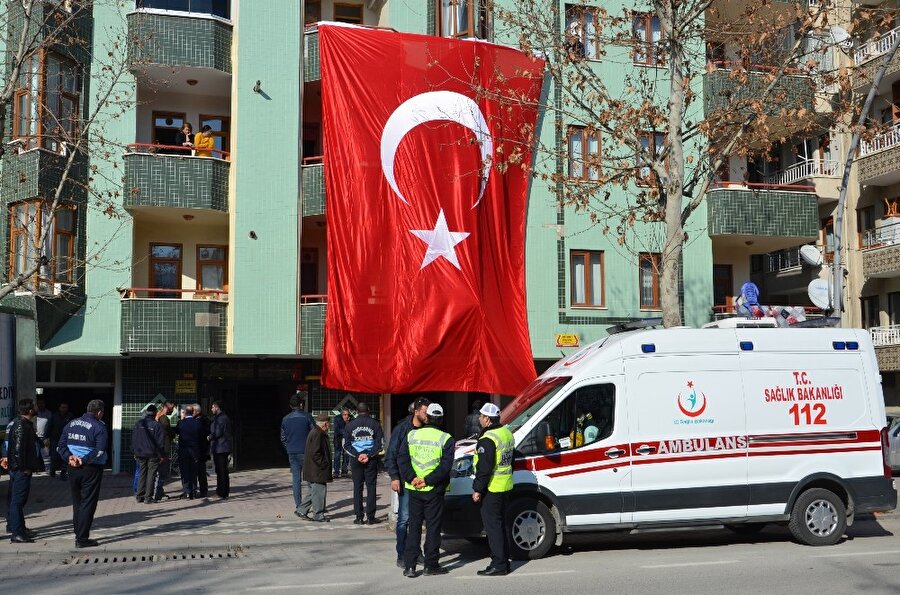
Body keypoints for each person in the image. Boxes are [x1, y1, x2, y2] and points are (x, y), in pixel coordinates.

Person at [399, 403, 455, 577]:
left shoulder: (412, 435)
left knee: (414, 528)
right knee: (433, 528)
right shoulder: (446, 439)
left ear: (427, 417)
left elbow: (402, 460)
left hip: (414, 489)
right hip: (434, 490)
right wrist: (427, 480)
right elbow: (445, 467)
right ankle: (431, 565)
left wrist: (413, 479)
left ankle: (410, 566)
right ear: (441, 419)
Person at [57, 399, 108, 548]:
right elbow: (99, 451)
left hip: (72, 468)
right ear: (99, 412)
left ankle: (78, 534)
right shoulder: (99, 427)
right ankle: (82, 538)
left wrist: (69, 458)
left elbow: (60, 446)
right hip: (90, 469)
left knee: (77, 502)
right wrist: (83, 460)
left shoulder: (70, 424)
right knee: (88, 503)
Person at [385, 397, 429, 567]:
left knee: (417, 520)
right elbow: (392, 454)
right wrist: (394, 476)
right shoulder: (402, 428)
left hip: (422, 482)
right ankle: (402, 554)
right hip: (405, 481)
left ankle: (416, 552)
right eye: (424, 412)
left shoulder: (427, 429)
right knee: (404, 519)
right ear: (416, 411)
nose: (427, 415)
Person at [472, 402, 514, 576]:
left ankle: (498, 564)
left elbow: (484, 468)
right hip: (506, 486)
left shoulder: (488, 439)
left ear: (487, 419)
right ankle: (504, 561)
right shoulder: (506, 433)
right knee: (502, 525)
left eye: (481, 417)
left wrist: (478, 489)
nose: (479, 419)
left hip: (492, 488)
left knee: (493, 528)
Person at [6, 399, 41, 543]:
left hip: (18, 469)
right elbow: (18, 450)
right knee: (17, 502)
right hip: (20, 470)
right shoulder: (21, 425)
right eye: (35, 406)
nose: (37, 407)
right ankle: (17, 533)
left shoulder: (23, 424)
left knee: (18, 501)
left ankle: (21, 529)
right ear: (30, 410)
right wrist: (24, 468)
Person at [344, 402, 384, 524]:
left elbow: (345, 445)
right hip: (371, 459)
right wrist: (369, 454)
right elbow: (380, 444)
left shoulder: (350, 425)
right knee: (371, 487)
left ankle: (359, 517)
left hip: (356, 460)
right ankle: (371, 517)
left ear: (357, 411)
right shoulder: (375, 424)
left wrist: (358, 455)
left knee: (357, 487)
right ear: (368, 410)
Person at [281, 394, 315, 515]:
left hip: (292, 453)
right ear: (300, 404)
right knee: (311, 480)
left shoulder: (285, 419)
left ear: (290, 405)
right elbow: (314, 435)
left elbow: (283, 438)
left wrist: (289, 448)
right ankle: (311, 504)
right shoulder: (307, 417)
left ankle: (299, 505)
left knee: (296, 480)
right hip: (306, 452)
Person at [297, 413, 332, 522]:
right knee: (319, 493)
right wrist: (324, 464)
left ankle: (302, 510)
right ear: (325, 424)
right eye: (329, 424)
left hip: (312, 469)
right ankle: (318, 515)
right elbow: (316, 453)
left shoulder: (315, 432)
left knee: (313, 492)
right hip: (317, 470)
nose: (329, 426)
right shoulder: (318, 433)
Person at [132, 405, 165, 505]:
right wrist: (161, 455)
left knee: (142, 473)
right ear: (155, 413)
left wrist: (134, 451)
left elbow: (134, 438)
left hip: (140, 452)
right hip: (152, 454)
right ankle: (148, 497)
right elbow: (160, 442)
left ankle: (139, 495)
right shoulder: (157, 425)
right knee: (151, 474)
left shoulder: (138, 423)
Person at [175, 405, 202, 499]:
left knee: (184, 472)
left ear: (185, 413)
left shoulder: (181, 423)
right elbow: (200, 435)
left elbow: (176, 432)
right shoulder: (197, 423)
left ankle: (186, 491)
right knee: (194, 472)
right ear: (193, 412)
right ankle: (193, 491)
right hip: (194, 451)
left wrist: (182, 420)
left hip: (183, 451)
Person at [208, 400, 233, 499]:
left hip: (221, 448)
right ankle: (223, 492)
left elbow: (218, 432)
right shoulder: (221, 417)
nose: (211, 409)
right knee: (222, 471)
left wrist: (210, 437)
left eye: (212, 407)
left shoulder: (221, 418)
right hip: (221, 447)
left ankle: (221, 493)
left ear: (217, 407)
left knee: (221, 471)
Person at [153, 400, 176, 501]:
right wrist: (173, 433)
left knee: (157, 471)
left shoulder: (157, 417)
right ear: (167, 407)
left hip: (157, 448)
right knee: (162, 472)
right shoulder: (164, 419)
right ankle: (158, 492)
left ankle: (158, 491)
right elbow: (169, 432)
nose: (173, 410)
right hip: (163, 449)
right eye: (172, 408)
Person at [48, 402, 74, 480]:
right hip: (55, 440)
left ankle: (63, 473)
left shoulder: (70, 416)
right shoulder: (54, 416)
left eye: (65, 407)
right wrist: (47, 437)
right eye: (62, 407)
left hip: (66, 440)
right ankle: (52, 471)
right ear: (59, 408)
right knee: (54, 457)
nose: (64, 409)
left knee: (65, 457)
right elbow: (49, 427)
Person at [194, 403, 211, 497]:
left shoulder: (202, 421)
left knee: (200, 472)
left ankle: (202, 490)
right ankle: (201, 490)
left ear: (197, 412)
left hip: (201, 449)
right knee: (200, 472)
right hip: (201, 449)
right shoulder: (203, 420)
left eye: (193, 411)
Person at [332, 407, 350, 478]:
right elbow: (337, 429)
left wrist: (347, 422)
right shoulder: (337, 419)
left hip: (347, 440)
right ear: (342, 415)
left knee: (346, 455)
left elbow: (351, 428)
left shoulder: (350, 419)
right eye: (345, 415)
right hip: (338, 440)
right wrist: (346, 432)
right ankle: (336, 472)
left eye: (347, 414)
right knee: (337, 455)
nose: (346, 416)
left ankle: (344, 471)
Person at [34, 397, 52, 472]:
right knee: (35, 454)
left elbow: (51, 425)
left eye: (42, 403)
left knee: (46, 455)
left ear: (45, 404)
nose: (41, 405)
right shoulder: (34, 413)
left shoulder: (48, 413)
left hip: (45, 438)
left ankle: (48, 469)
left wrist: (48, 436)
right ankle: (35, 469)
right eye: (39, 403)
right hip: (35, 437)